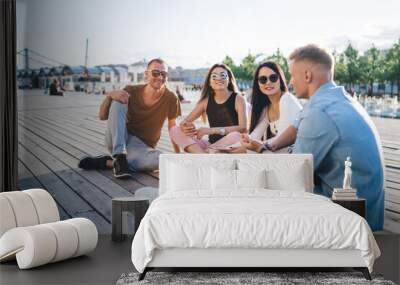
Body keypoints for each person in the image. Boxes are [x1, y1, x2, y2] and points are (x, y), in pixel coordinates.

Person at [245, 44, 385, 231]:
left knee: (259, 193)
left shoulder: (319, 112)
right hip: (370, 205)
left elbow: (292, 177)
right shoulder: (336, 98)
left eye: (293, 75)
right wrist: (266, 145)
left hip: (351, 215)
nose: (291, 82)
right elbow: (296, 126)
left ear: (307, 76)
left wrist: (258, 156)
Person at [78, 58, 181, 178]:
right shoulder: (131, 91)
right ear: (146, 75)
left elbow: (173, 128)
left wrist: (177, 154)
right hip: (119, 137)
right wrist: (110, 96)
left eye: (164, 74)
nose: (160, 77)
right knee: (119, 100)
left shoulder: (171, 98)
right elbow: (102, 116)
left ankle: (109, 162)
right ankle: (119, 156)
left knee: (164, 161)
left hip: (142, 148)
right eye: (155, 73)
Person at [169, 63, 247, 153]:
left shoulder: (238, 99)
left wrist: (210, 130)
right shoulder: (206, 101)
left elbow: (243, 128)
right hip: (211, 145)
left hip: (231, 144)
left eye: (223, 75)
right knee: (174, 130)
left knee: (236, 135)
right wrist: (186, 127)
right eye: (214, 76)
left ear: (229, 80)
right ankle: (205, 155)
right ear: (209, 82)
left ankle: (206, 153)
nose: (219, 78)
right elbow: (185, 122)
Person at [239, 61, 302, 153]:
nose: (268, 82)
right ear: (258, 84)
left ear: (280, 80)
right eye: (263, 79)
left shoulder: (286, 99)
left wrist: (254, 145)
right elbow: (254, 136)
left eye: (273, 78)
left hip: (298, 154)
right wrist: (237, 146)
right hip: (283, 153)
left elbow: (280, 141)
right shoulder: (267, 107)